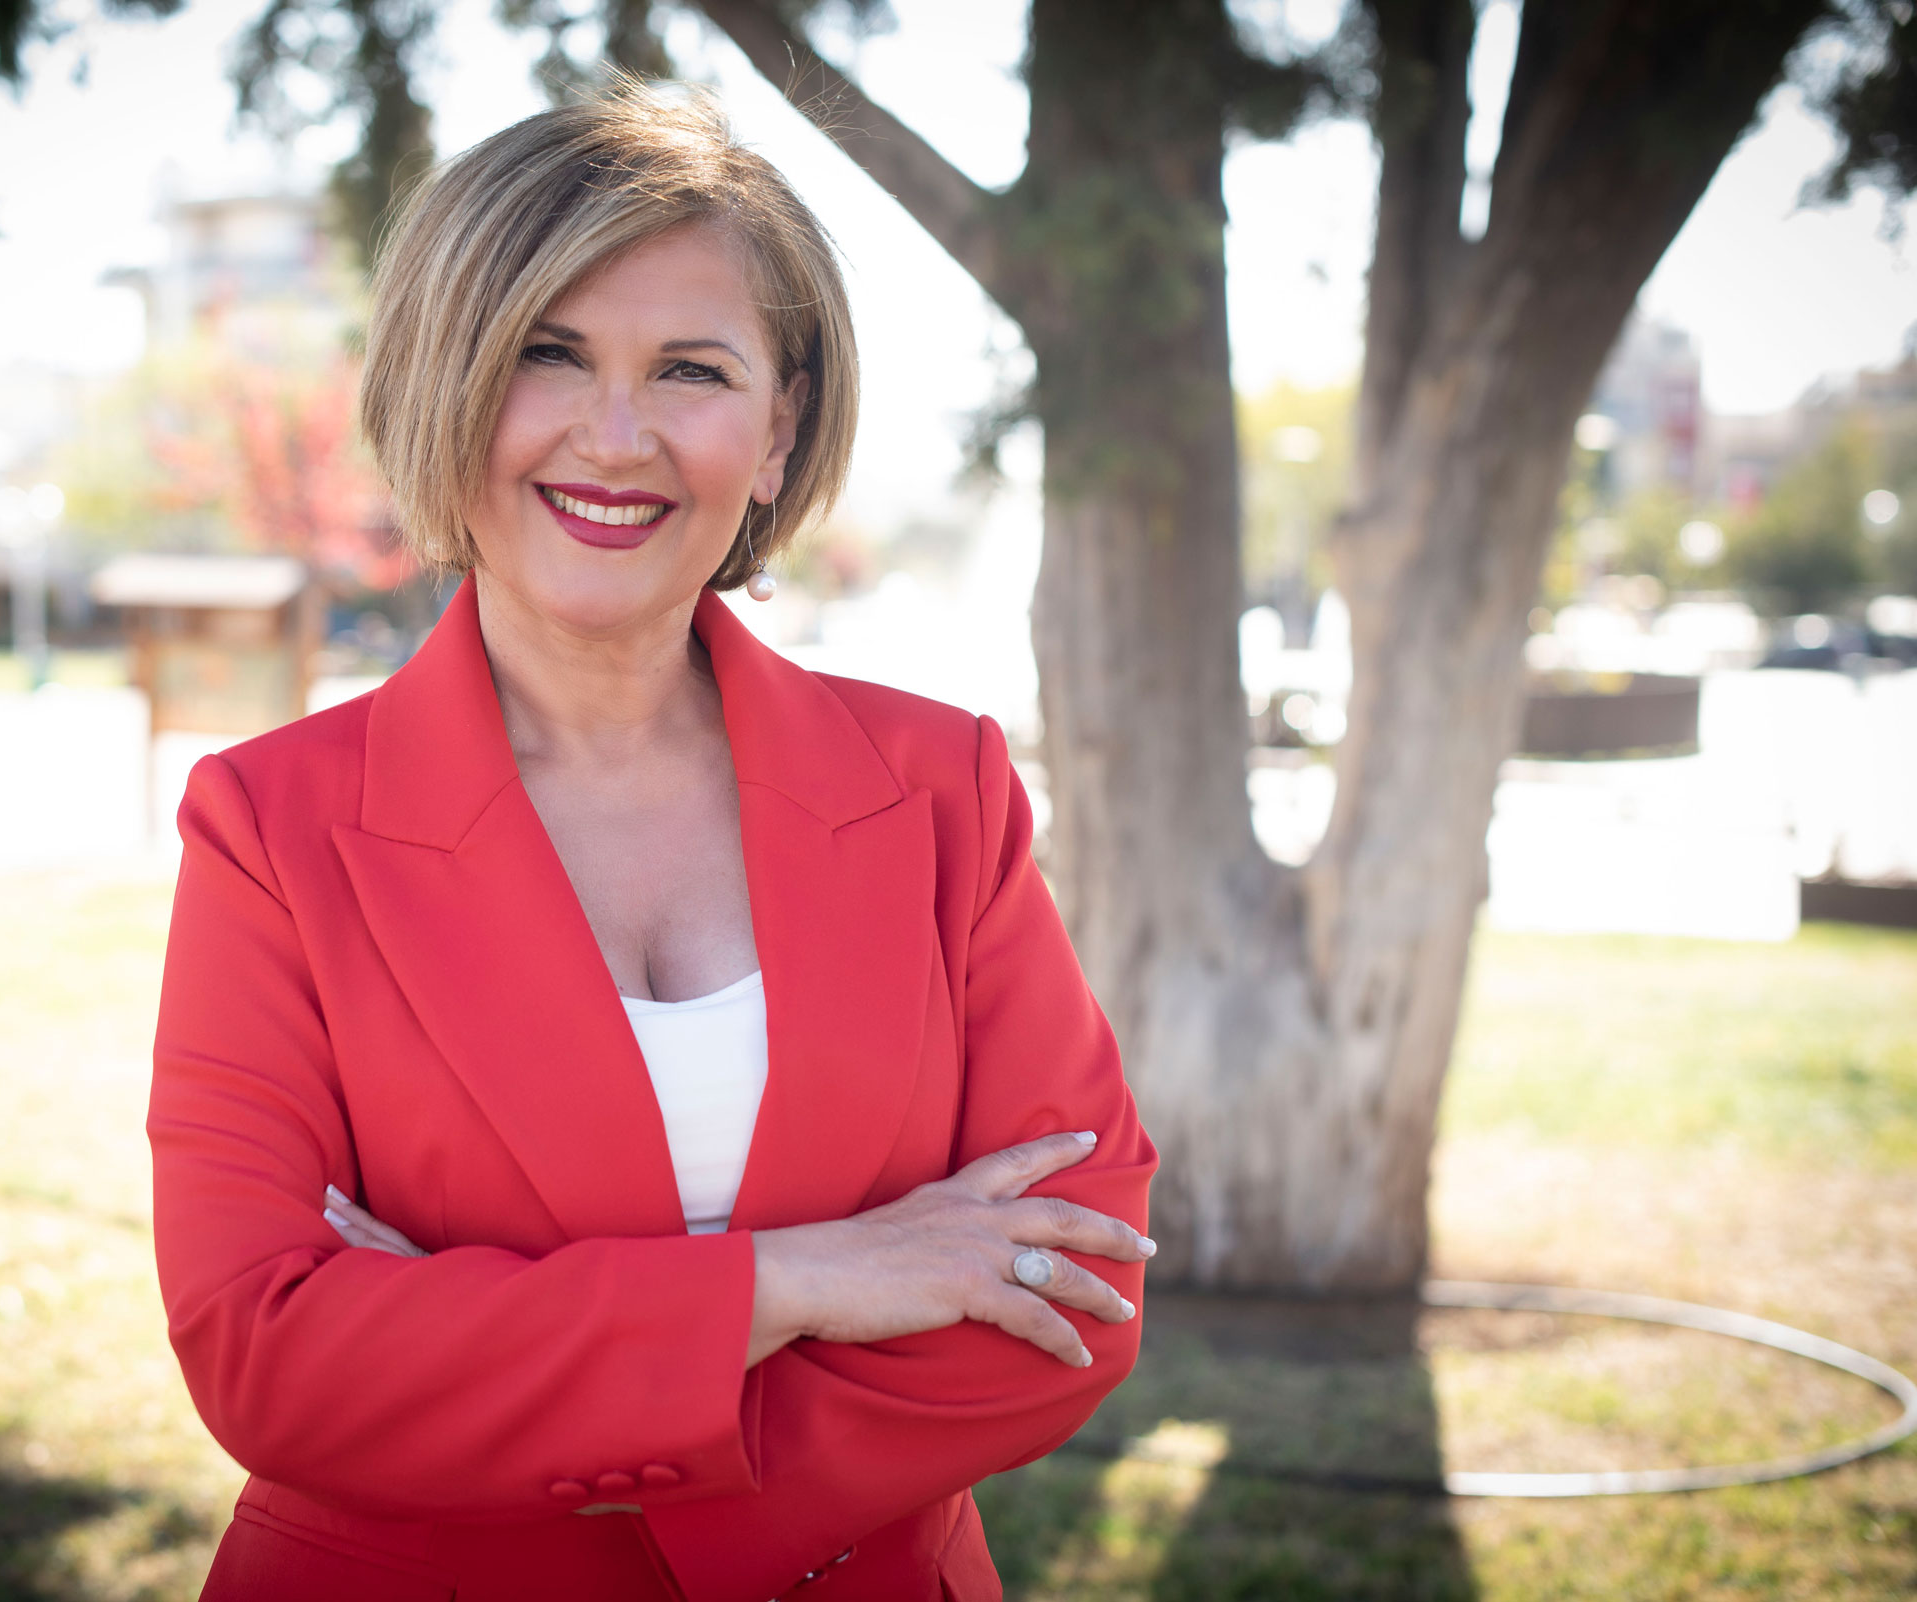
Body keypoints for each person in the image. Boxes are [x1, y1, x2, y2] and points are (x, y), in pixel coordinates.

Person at [148, 83, 1159, 1602]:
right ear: (441, 385)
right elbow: (272, 1359)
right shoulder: (271, 827)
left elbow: (1073, 1283)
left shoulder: (941, 788)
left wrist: (493, 1356)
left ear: (778, 432)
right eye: (546, 353)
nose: (615, 438)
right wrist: (805, 1279)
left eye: (691, 369)